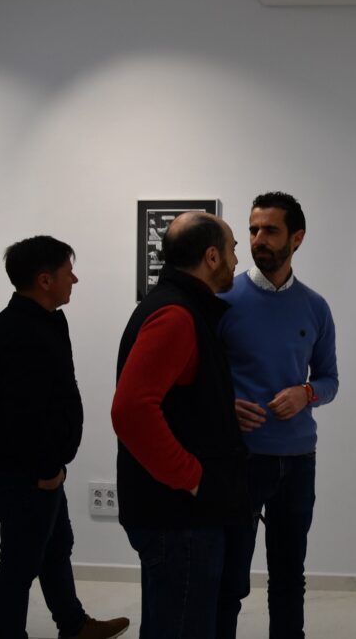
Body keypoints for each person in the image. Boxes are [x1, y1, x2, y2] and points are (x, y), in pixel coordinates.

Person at [0, 236, 129, 639]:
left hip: (42, 470)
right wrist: (44, 470)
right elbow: (11, 415)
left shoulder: (48, 321)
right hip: (23, 474)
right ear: (45, 280)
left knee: (56, 548)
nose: (74, 280)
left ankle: (74, 626)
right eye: (67, 272)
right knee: (19, 566)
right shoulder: (15, 332)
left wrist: (53, 466)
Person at [111, 213, 249, 639]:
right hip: (179, 518)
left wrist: (220, 409)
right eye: (232, 250)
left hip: (175, 515)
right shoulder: (176, 314)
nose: (237, 259)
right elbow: (131, 411)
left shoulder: (181, 306)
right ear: (212, 257)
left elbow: (174, 399)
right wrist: (192, 479)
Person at [217, 192, 339, 639]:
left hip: (297, 460)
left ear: (297, 238)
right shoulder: (223, 299)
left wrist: (305, 393)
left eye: (270, 230)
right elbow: (196, 376)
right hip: (240, 459)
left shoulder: (315, 306)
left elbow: (329, 380)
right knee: (229, 580)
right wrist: (224, 406)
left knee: (289, 577)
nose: (258, 239)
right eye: (253, 230)